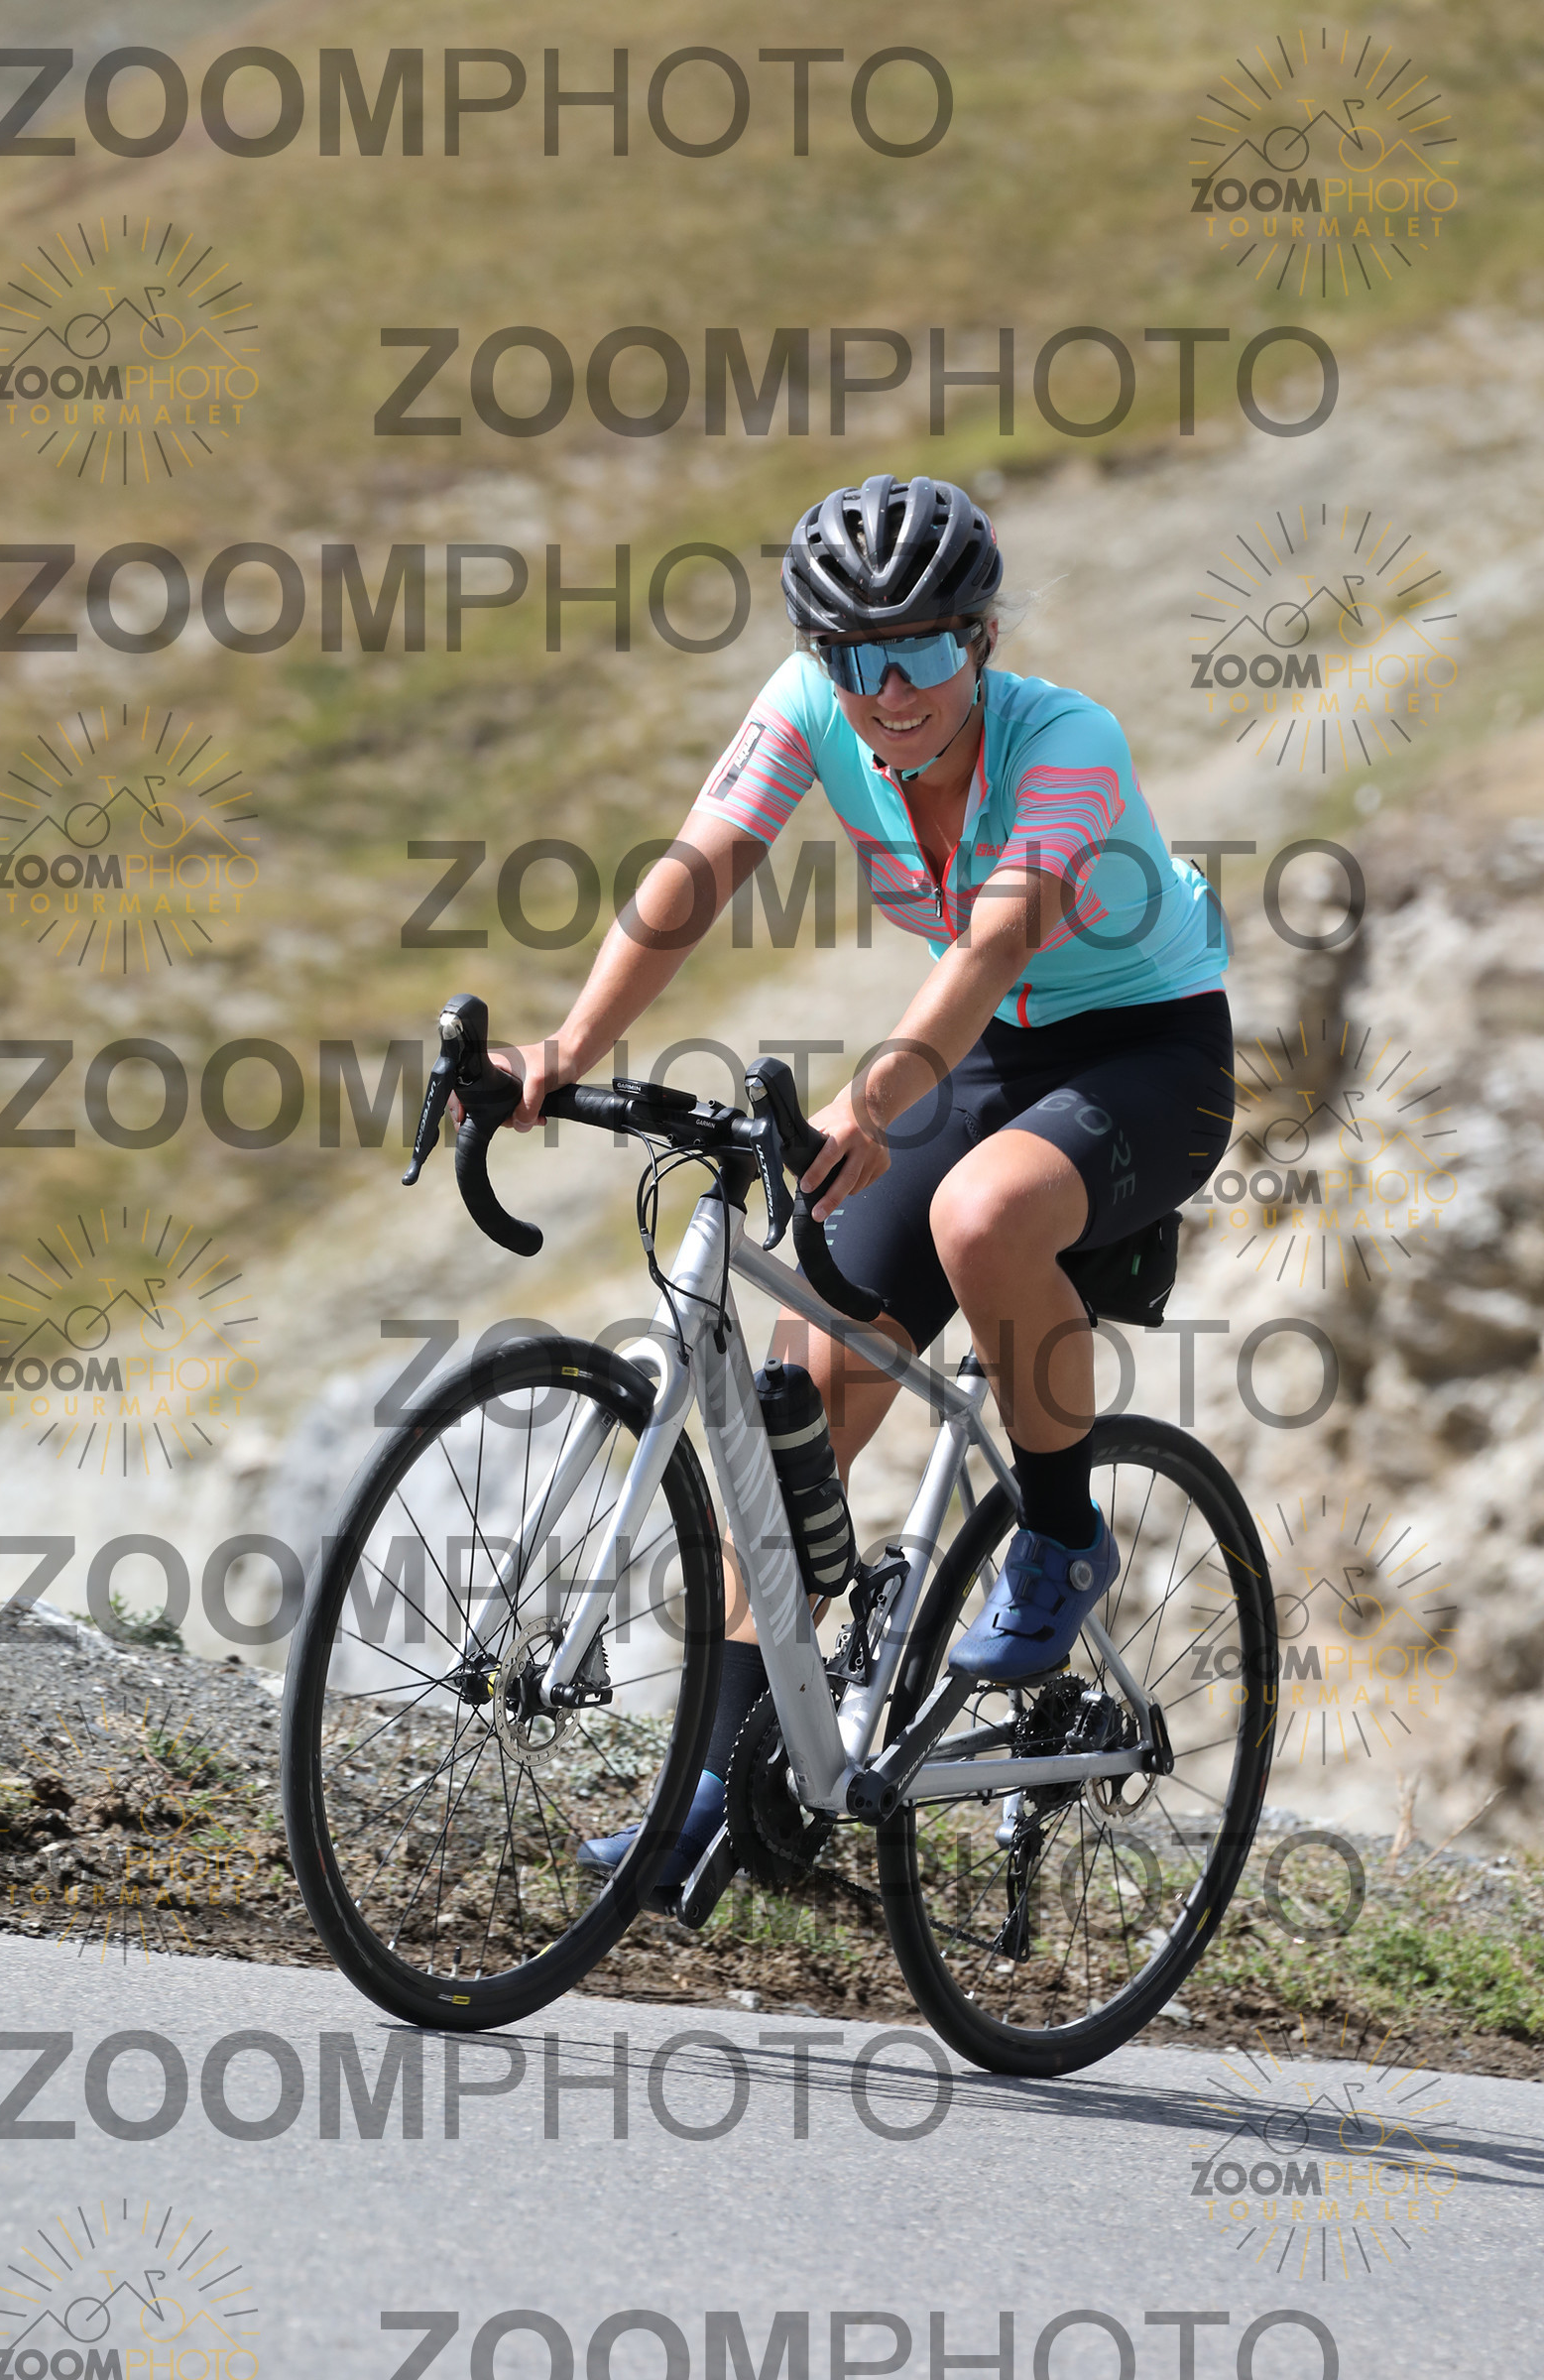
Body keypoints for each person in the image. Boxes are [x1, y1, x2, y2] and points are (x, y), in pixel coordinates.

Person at [488, 474, 1234, 1889]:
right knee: (800, 1409)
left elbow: (996, 945)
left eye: (923, 650)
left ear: (982, 637)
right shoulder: (809, 705)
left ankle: (1060, 1535)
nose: (889, 691)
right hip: (985, 1053)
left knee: (981, 1213)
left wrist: (871, 1101)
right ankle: (718, 1792)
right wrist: (565, 1049)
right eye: (856, 657)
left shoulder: (1069, 740)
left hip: (1148, 1052)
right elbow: (702, 867)